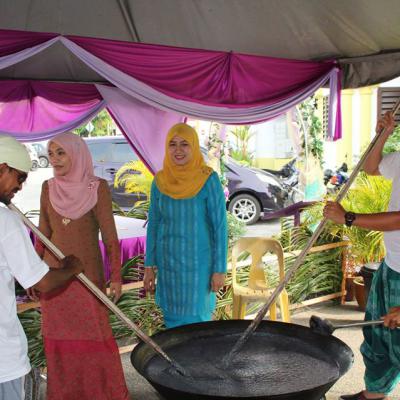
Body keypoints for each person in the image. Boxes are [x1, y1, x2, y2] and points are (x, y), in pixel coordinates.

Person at [31, 132, 129, 400]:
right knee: (60, 344)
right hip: (54, 280)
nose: (54, 159)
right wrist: (34, 274)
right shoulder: (47, 187)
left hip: (88, 280)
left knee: (94, 340)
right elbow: (43, 233)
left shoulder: (96, 187)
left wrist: (117, 278)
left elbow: (110, 237)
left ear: (76, 153)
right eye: (51, 153)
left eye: (60, 152)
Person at [323, 111, 400, 400]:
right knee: (378, 337)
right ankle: (373, 394)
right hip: (391, 265)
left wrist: (349, 218)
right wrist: (383, 135)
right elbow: (372, 168)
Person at [0, 134, 83, 400]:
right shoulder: (5, 221)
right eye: (20, 178)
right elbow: (42, 282)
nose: (20, 187)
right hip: (4, 362)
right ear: (2, 169)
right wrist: (71, 267)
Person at [143, 123, 228, 328]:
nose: (178, 150)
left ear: (194, 146)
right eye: (172, 144)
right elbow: (154, 224)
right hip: (169, 268)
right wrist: (149, 266)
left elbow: (219, 228)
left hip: (199, 270)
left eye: (184, 144)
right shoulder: (160, 181)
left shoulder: (208, 180)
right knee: (173, 329)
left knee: (198, 327)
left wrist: (219, 270)